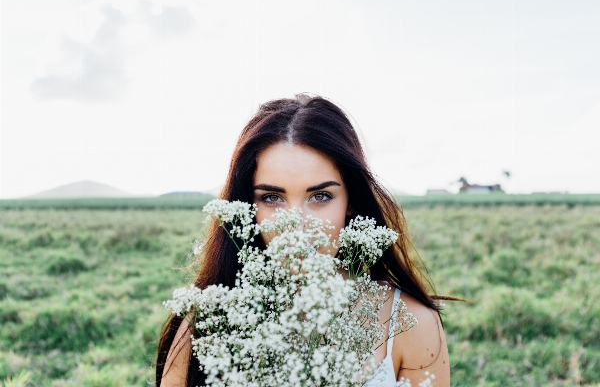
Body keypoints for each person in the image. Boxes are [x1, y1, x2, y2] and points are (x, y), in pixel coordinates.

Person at [156, 94, 451, 387]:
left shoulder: (410, 322)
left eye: (320, 196)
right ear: (247, 206)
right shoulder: (207, 322)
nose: (296, 226)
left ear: (351, 202)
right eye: (272, 198)